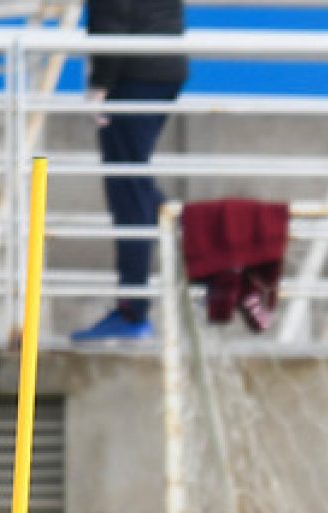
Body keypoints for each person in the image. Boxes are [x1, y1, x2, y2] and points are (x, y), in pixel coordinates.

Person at [71, 0, 188, 343]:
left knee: (128, 188)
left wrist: (100, 83)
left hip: (134, 70)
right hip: (161, 64)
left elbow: (113, 14)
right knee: (133, 182)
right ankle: (204, 252)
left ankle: (133, 311)